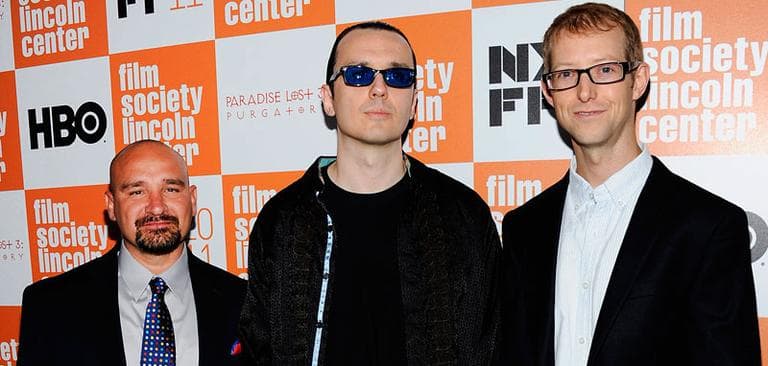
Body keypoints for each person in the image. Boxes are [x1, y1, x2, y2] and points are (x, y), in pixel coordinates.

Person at [500, 3, 761, 366]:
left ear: (638, 81)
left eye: (605, 70)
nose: (585, 91)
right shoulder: (523, 228)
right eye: (566, 74)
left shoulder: (708, 227)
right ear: (548, 91)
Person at [238, 21, 501, 365]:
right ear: (328, 98)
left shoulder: (463, 216)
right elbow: (258, 351)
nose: (379, 88)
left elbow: (491, 348)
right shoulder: (281, 222)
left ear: (414, 105)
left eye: (398, 77)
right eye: (358, 75)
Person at [18, 140, 246, 366]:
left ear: (192, 200)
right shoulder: (50, 307)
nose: (157, 206)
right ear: (111, 205)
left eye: (171, 189)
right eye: (137, 192)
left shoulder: (244, 301)